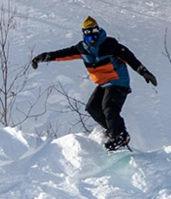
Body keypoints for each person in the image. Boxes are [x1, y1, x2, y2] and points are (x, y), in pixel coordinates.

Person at [31, 16, 157, 151]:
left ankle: (119, 136)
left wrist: (144, 72)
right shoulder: (82, 48)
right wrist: (42, 57)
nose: (92, 41)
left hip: (118, 81)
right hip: (103, 84)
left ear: (99, 33)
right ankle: (114, 132)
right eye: (88, 38)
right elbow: (63, 54)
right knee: (92, 107)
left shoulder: (110, 45)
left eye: (94, 37)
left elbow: (130, 58)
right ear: (84, 36)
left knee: (109, 107)